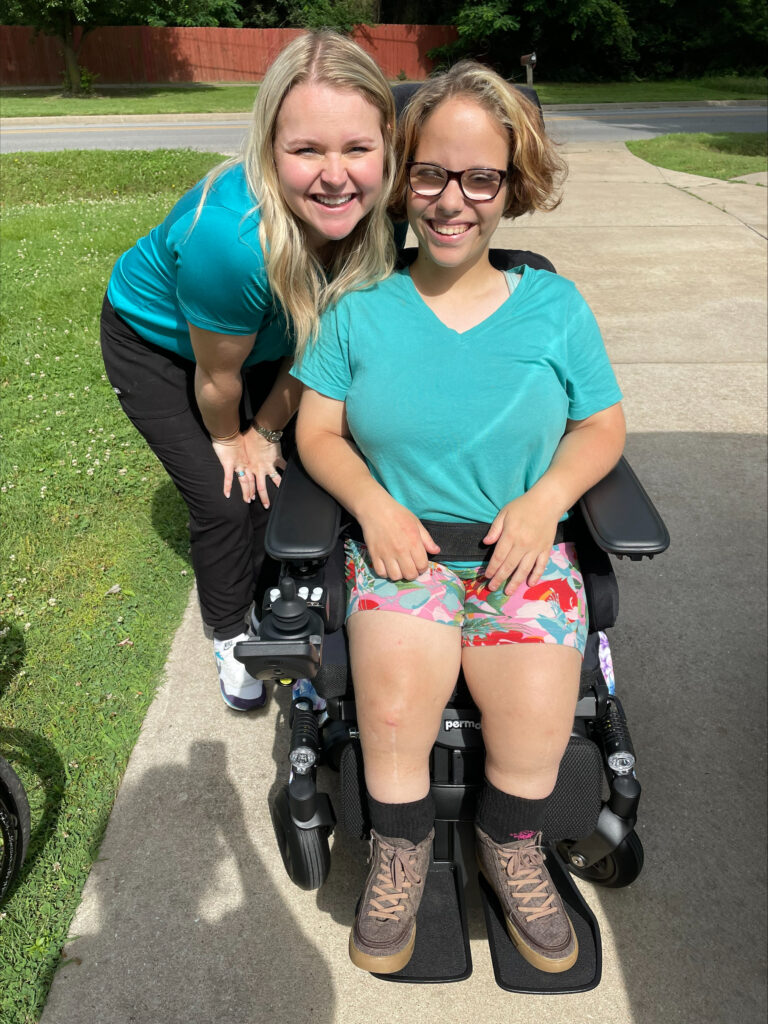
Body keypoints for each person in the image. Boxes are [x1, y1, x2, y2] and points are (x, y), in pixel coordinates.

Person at [293, 61, 626, 975]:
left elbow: (602, 427)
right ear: (404, 178)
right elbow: (317, 431)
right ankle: (397, 851)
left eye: (480, 179)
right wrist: (371, 502)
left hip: (521, 551)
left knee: (532, 735)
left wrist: (547, 498)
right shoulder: (360, 308)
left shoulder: (553, 308)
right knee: (394, 714)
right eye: (432, 174)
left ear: (509, 188)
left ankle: (509, 848)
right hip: (402, 551)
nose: (452, 201)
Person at [100, 32, 397, 711]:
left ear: (388, 144)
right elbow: (216, 378)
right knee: (226, 495)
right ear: (269, 149)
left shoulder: (381, 213)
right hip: (162, 346)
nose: (335, 174)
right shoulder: (234, 241)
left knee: (289, 463)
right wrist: (239, 436)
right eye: (306, 150)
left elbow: (318, 347)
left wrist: (272, 428)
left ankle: (279, 589)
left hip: (267, 337)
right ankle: (230, 636)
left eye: (357, 148)